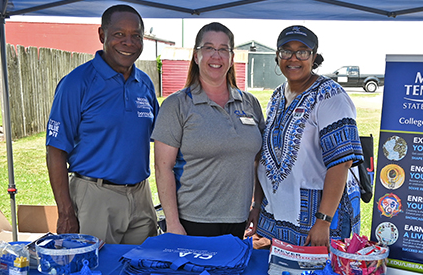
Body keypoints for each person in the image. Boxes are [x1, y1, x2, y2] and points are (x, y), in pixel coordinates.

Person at [46, 4, 159, 244]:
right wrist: (65, 212)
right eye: (119, 34)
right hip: (95, 196)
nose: (128, 42)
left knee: (141, 270)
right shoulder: (77, 83)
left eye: (136, 36)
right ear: (102, 36)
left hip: (141, 195)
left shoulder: (145, 83)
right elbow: (55, 150)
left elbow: (161, 138)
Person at [250, 25, 363, 246]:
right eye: (286, 51)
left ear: (314, 57)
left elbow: (341, 162)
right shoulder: (277, 96)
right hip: (277, 216)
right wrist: (257, 205)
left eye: (302, 51)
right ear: (277, 56)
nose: (293, 58)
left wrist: (323, 221)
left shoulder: (331, 97)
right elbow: (265, 158)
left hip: (316, 220)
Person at [151, 22, 265, 239]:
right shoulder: (177, 105)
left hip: (239, 219)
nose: (217, 55)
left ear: (231, 58)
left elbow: (259, 161)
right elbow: (162, 168)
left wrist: (257, 205)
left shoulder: (250, 104)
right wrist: (173, 224)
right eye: (209, 48)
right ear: (196, 56)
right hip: (193, 221)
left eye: (224, 49)